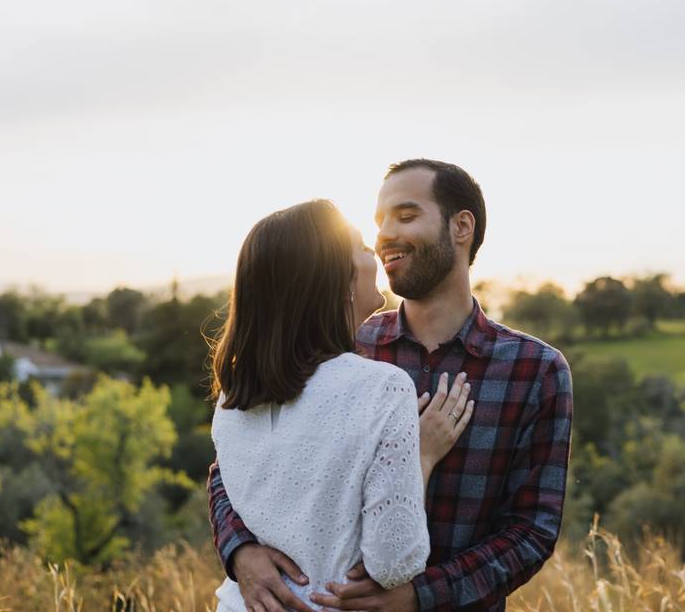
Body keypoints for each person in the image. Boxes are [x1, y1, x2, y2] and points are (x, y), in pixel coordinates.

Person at [209, 159, 573, 611]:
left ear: (461, 227)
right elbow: (235, 464)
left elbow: (531, 531)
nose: (383, 235)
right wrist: (240, 551)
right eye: (378, 222)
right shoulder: (338, 348)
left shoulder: (534, 369)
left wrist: (419, 596)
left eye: (406, 216)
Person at [209, 199, 475, 612]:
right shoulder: (382, 388)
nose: (376, 255)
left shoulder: (232, 396)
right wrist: (420, 457)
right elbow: (392, 563)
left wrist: (240, 551)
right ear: (338, 280)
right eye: (362, 251)